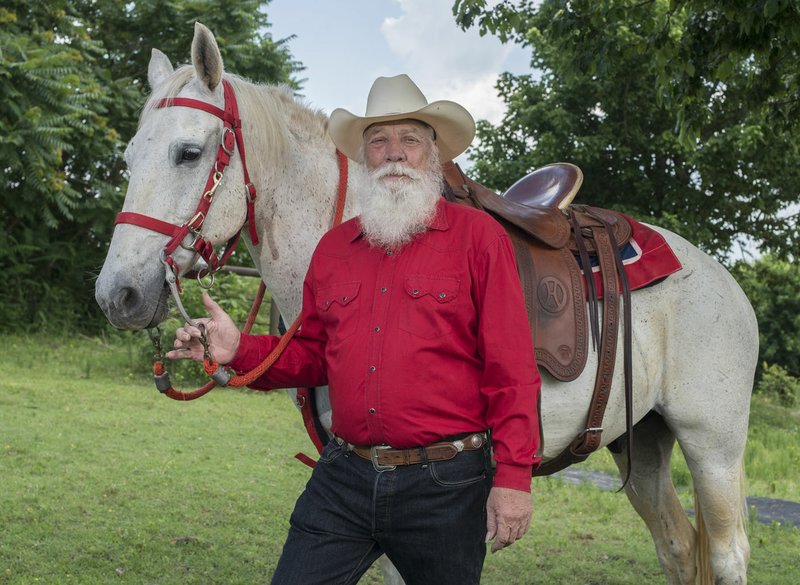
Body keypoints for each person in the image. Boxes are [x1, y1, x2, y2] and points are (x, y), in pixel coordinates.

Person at [168, 74, 541, 585]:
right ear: (363, 157)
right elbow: (315, 355)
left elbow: (512, 369)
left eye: (409, 140)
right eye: (378, 141)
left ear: (432, 154)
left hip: (445, 484)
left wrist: (515, 477)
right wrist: (237, 349)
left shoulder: (479, 238)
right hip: (344, 476)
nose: (393, 154)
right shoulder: (335, 248)